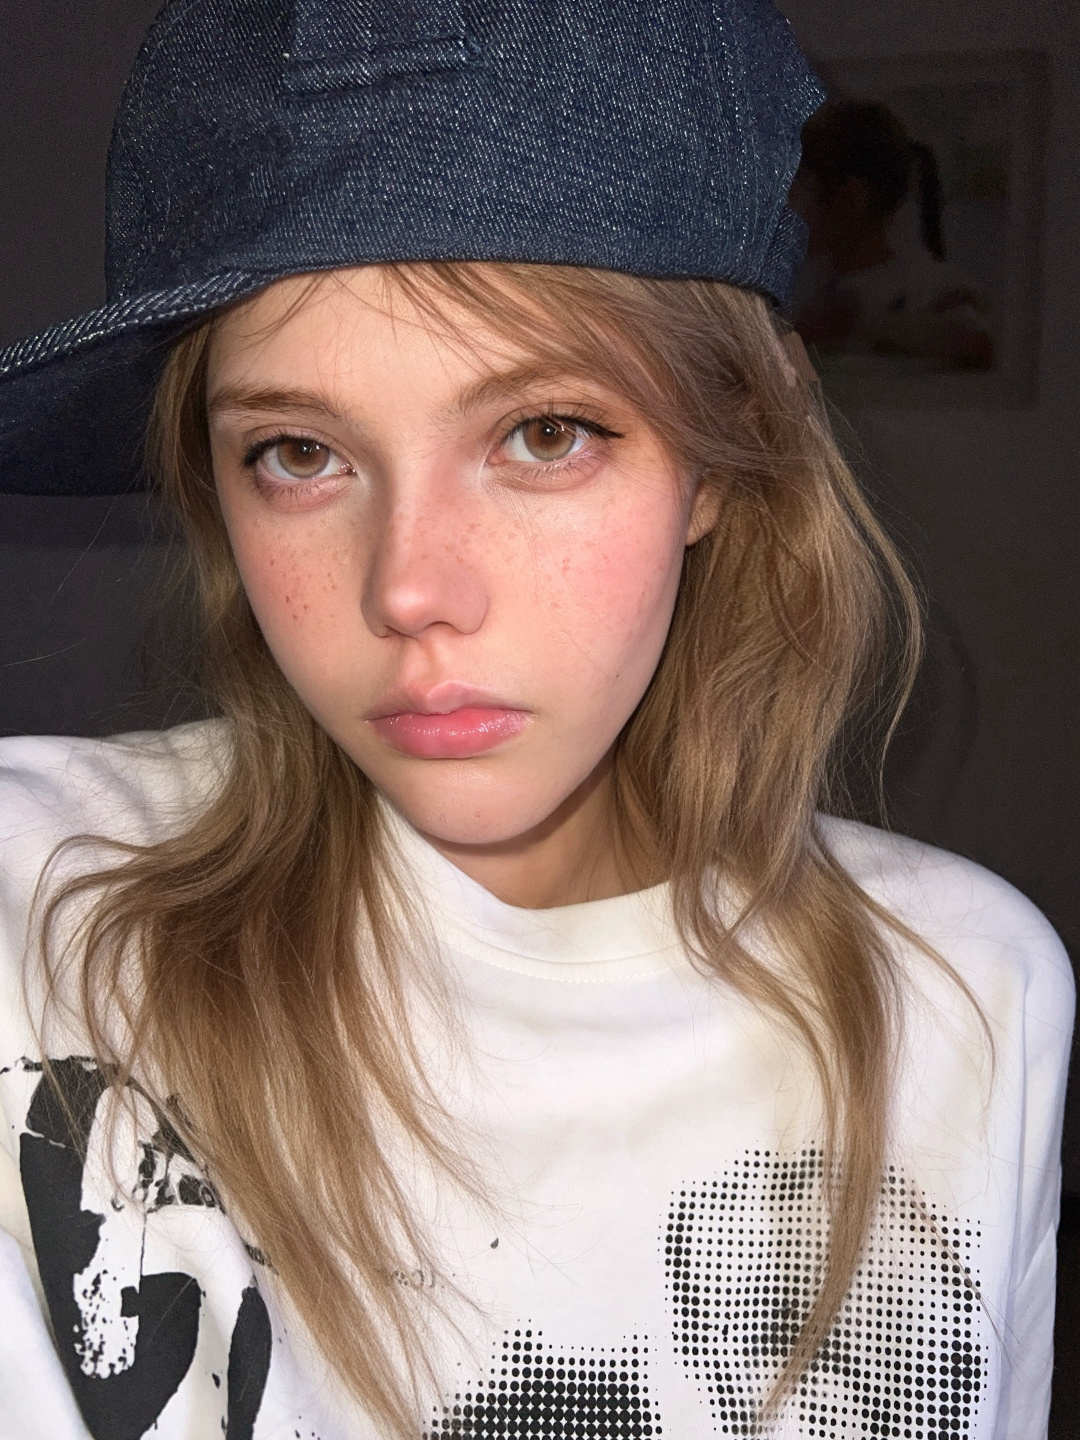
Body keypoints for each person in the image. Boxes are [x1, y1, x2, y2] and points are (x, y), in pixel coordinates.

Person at [0, 3, 1070, 1438]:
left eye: (544, 432)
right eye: (300, 453)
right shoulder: (38, 918)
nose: (409, 590)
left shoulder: (963, 992)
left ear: (723, 459)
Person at [790, 100, 997, 372]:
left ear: (851, 198)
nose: (789, 208)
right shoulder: (806, 288)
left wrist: (863, 324)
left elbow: (977, 346)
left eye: (800, 191)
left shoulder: (927, 284)